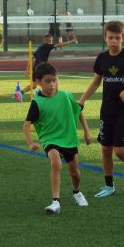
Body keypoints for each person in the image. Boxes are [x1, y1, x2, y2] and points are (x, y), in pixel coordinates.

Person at [78, 20, 124, 197]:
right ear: (105, 38)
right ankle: (109, 186)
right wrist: (82, 100)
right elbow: (96, 82)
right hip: (107, 109)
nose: (114, 41)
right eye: (111, 38)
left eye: (117, 38)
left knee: (119, 149)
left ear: (123, 38)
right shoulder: (102, 58)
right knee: (105, 149)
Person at [23, 62, 92, 214]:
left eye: (54, 80)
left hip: (69, 139)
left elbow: (78, 111)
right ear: (39, 82)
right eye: (48, 81)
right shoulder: (37, 102)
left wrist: (87, 132)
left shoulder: (66, 96)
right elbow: (26, 125)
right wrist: (30, 142)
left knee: (75, 173)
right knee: (56, 162)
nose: (52, 84)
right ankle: (56, 202)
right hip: (50, 139)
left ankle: (76, 192)